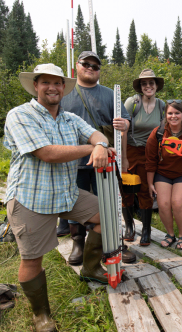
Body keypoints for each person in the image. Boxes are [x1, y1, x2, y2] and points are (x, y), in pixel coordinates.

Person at [4, 63, 116, 332]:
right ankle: (41, 316)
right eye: (46, 83)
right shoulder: (20, 115)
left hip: (66, 194)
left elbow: (96, 133)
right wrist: (92, 147)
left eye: (57, 83)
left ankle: (91, 269)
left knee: (108, 214)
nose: (52, 88)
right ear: (36, 86)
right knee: (32, 258)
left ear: (64, 88)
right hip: (30, 197)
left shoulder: (68, 117)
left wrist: (100, 143)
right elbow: (47, 153)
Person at [59, 51, 135, 265]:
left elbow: (125, 123)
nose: (91, 68)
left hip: (106, 161)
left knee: (109, 202)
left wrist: (125, 126)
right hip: (73, 162)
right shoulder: (64, 93)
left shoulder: (110, 94)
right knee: (74, 202)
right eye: (86, 64)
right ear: (77, 66)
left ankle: (114, 242)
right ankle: (78, 243)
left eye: (95, 66)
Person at [145, 100, 182, 250]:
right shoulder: (157, 133)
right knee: (164, 204)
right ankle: (170, 234)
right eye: (170, 113)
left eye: (177, 113)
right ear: (165, 115)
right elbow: (150, 160)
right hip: (163, 173)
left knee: (177, 204)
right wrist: (150, 183)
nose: (173, 116)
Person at [123, 69, 165, 246]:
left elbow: (163, 132)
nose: (148, 86)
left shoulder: (162, 105)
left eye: (151, 83)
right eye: (144, 83)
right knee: (126, 188)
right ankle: (129, 226)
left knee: (147, 190)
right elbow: (123, 130)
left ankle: (146, 230)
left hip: (151, 153)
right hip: (131, 150)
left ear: (156, 86)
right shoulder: (132, 103)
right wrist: (124, 157)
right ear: (140, 87)